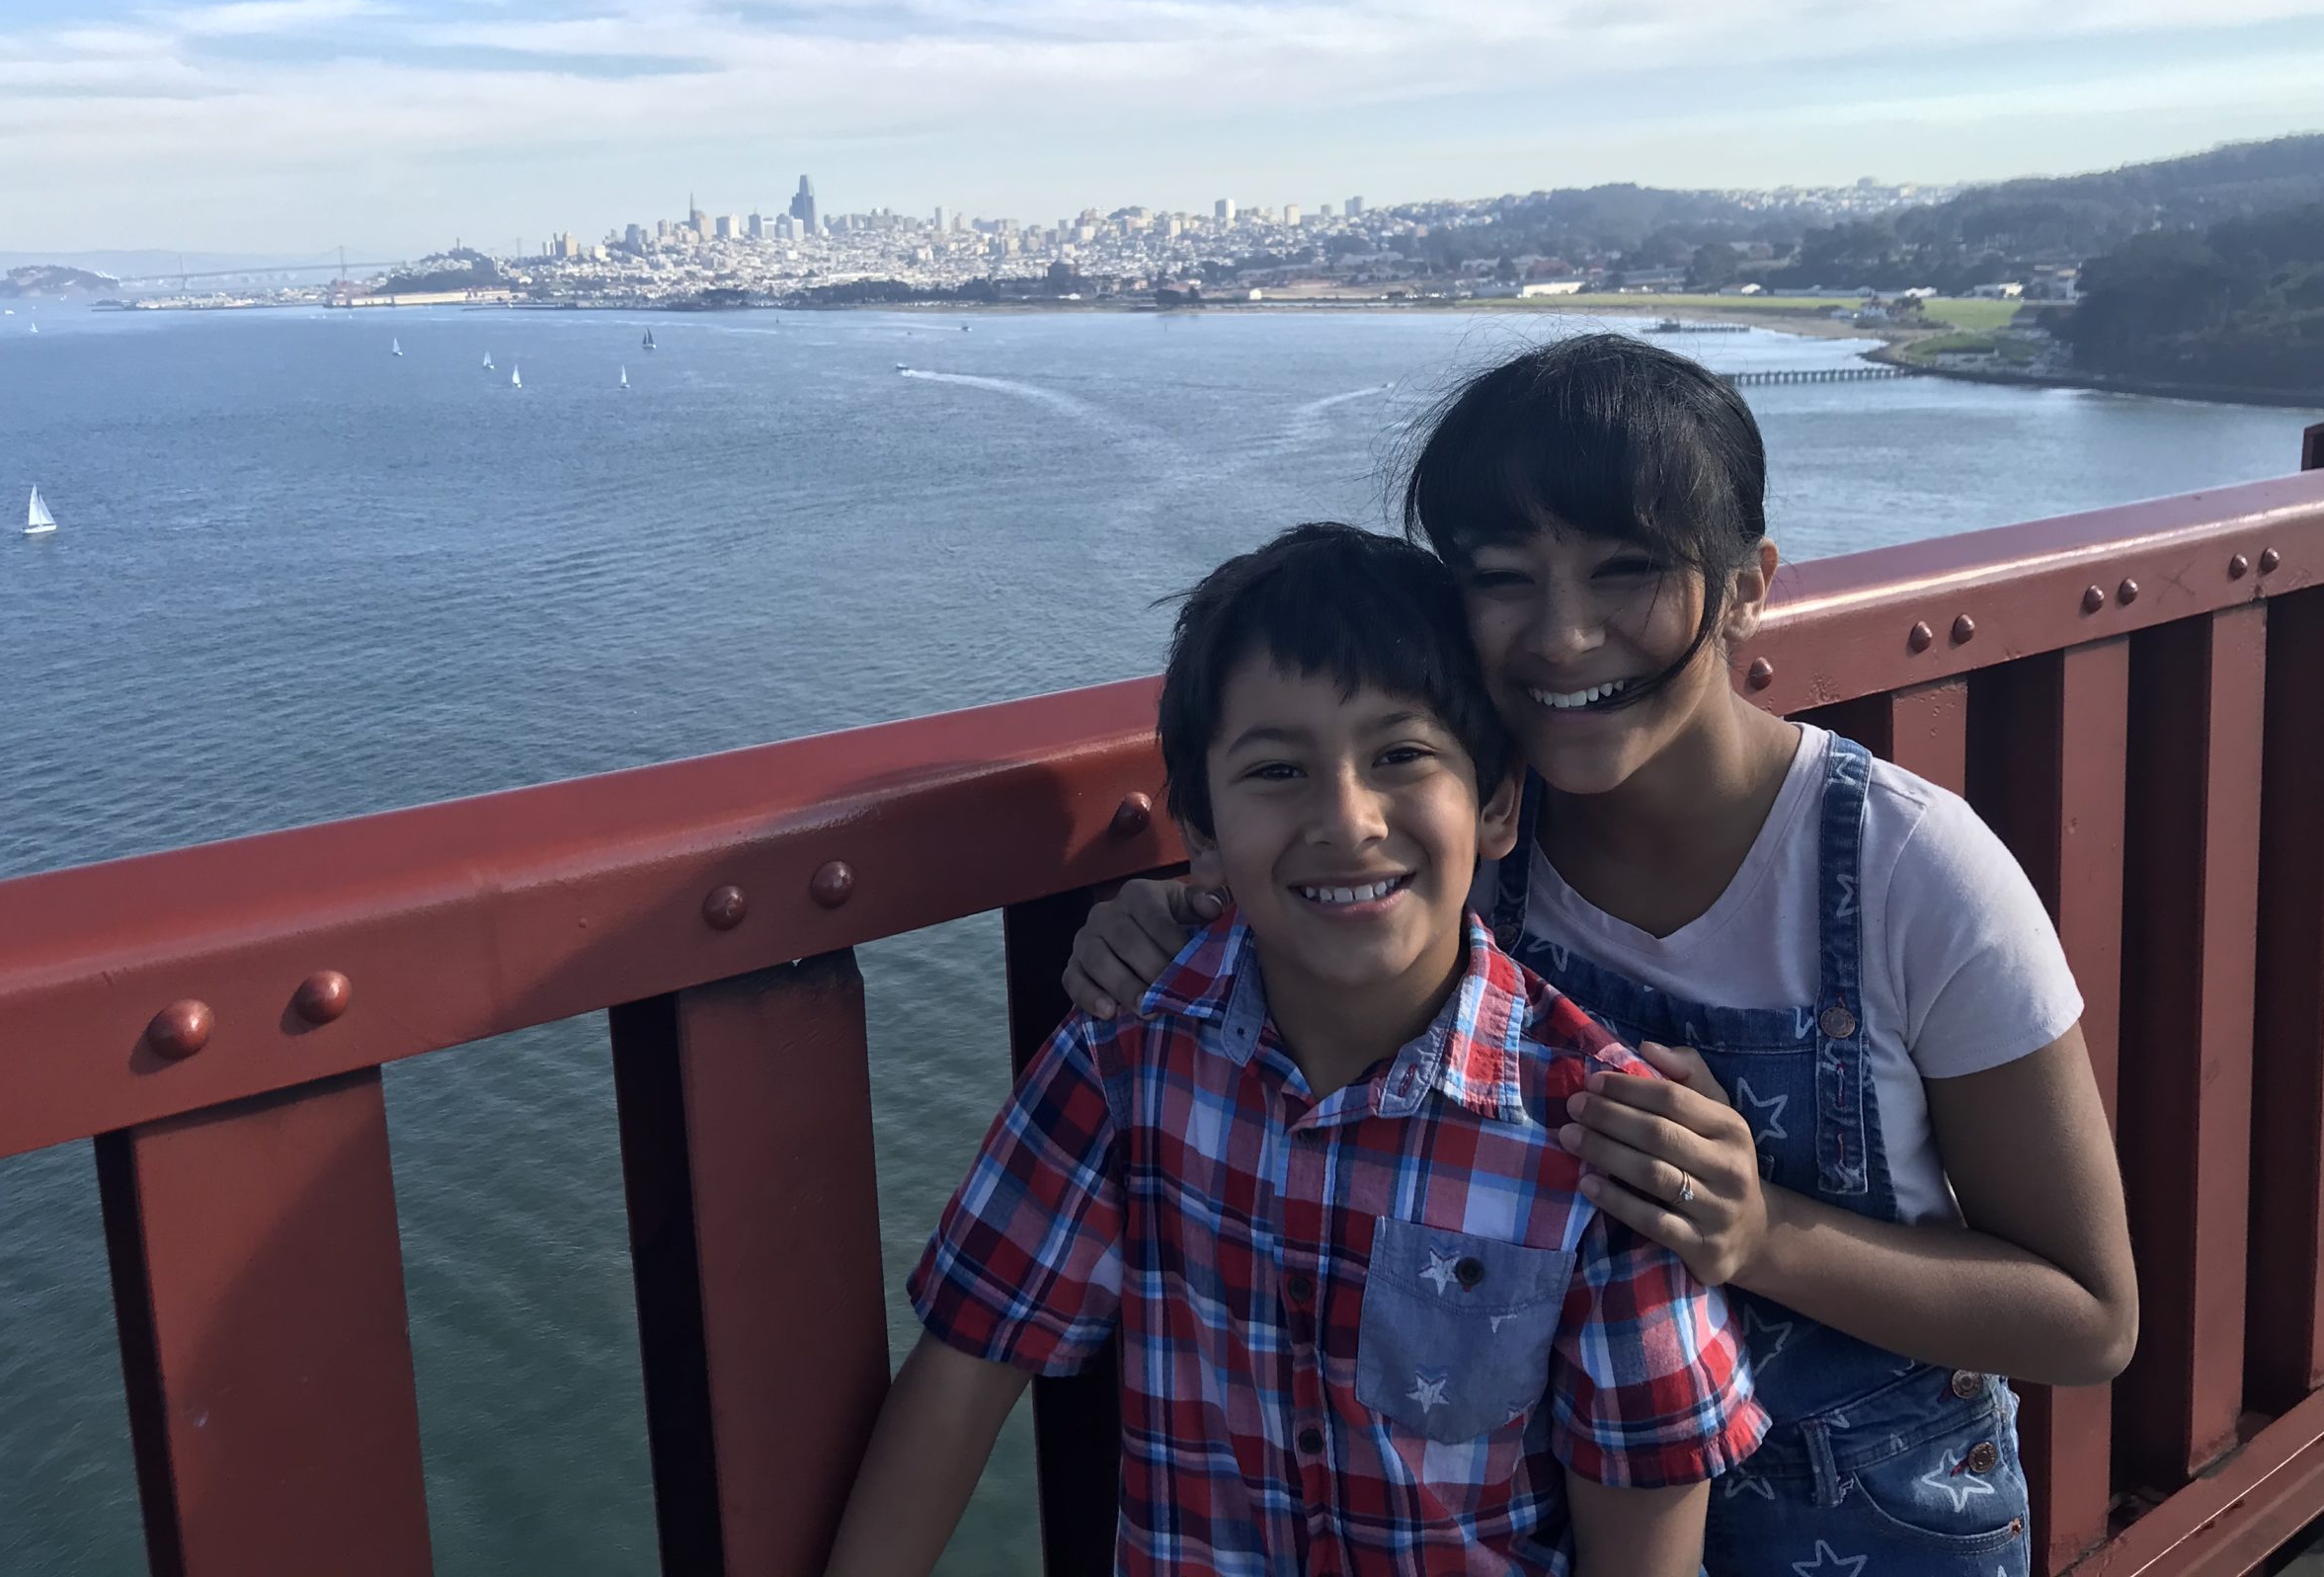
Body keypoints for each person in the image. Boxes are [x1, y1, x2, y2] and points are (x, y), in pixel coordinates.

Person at [1065, 338, 2139, 1577]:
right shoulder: (1463, 845)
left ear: (1746, 587)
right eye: (1502, 577)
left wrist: (1759, 1234)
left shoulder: (1907, 871)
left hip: (1874, 1535)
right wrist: (1165, 916)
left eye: (1626, 572)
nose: (1564, 636)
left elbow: (2086, 1316)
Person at [827, 522, 1766, 1577]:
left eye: (1401, 756)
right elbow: (966, 1360)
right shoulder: (1129, 1054)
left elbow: (1645, 1534)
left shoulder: (1596, 1131)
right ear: (1208, 832)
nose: (1346, 819)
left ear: (1496, 803)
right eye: (1277, 770)